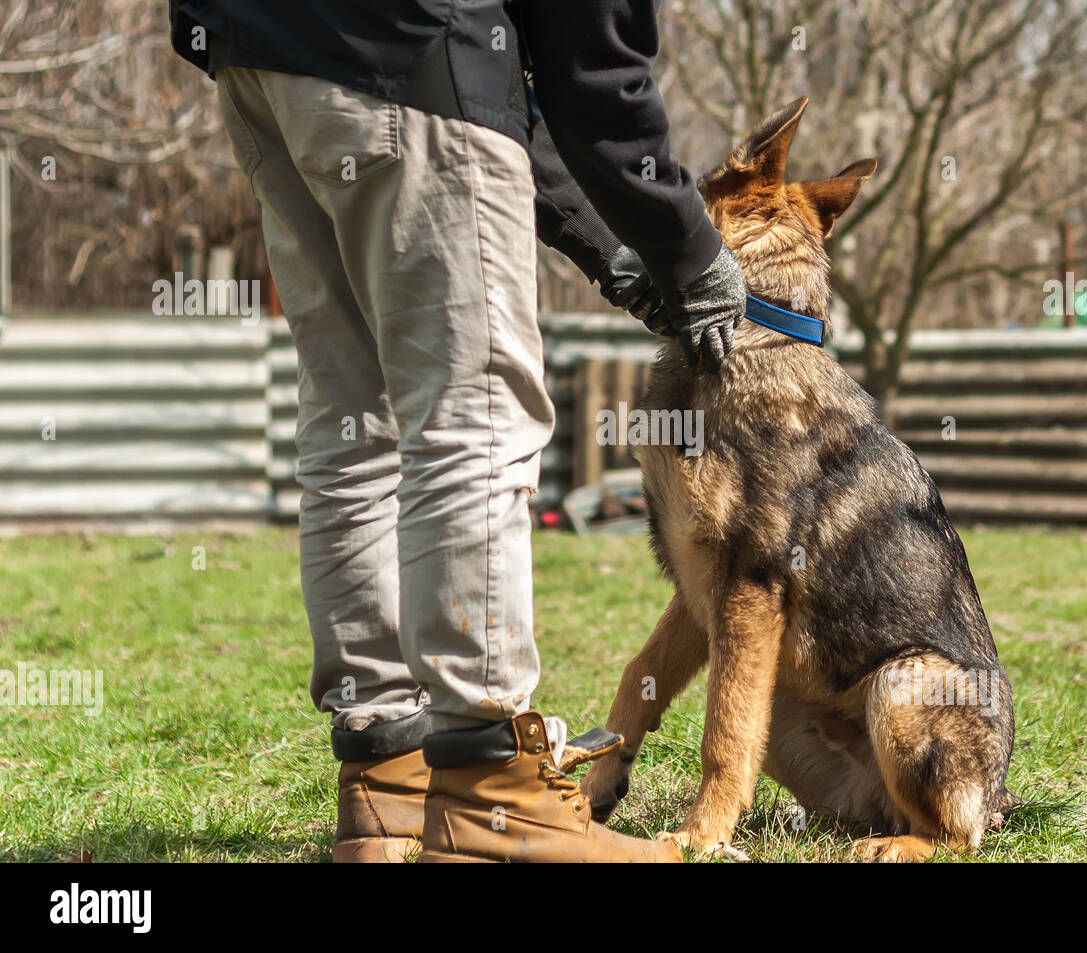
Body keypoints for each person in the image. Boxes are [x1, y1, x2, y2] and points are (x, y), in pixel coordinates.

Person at [167, 0, 747, 862]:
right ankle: (489, 791)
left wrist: (611, 244)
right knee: (473, 416)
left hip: (260, 52)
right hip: (399, 50)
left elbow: (490, 84)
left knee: (355, 417)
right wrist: (685, 242)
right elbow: (577, 58)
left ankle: (386, 770)